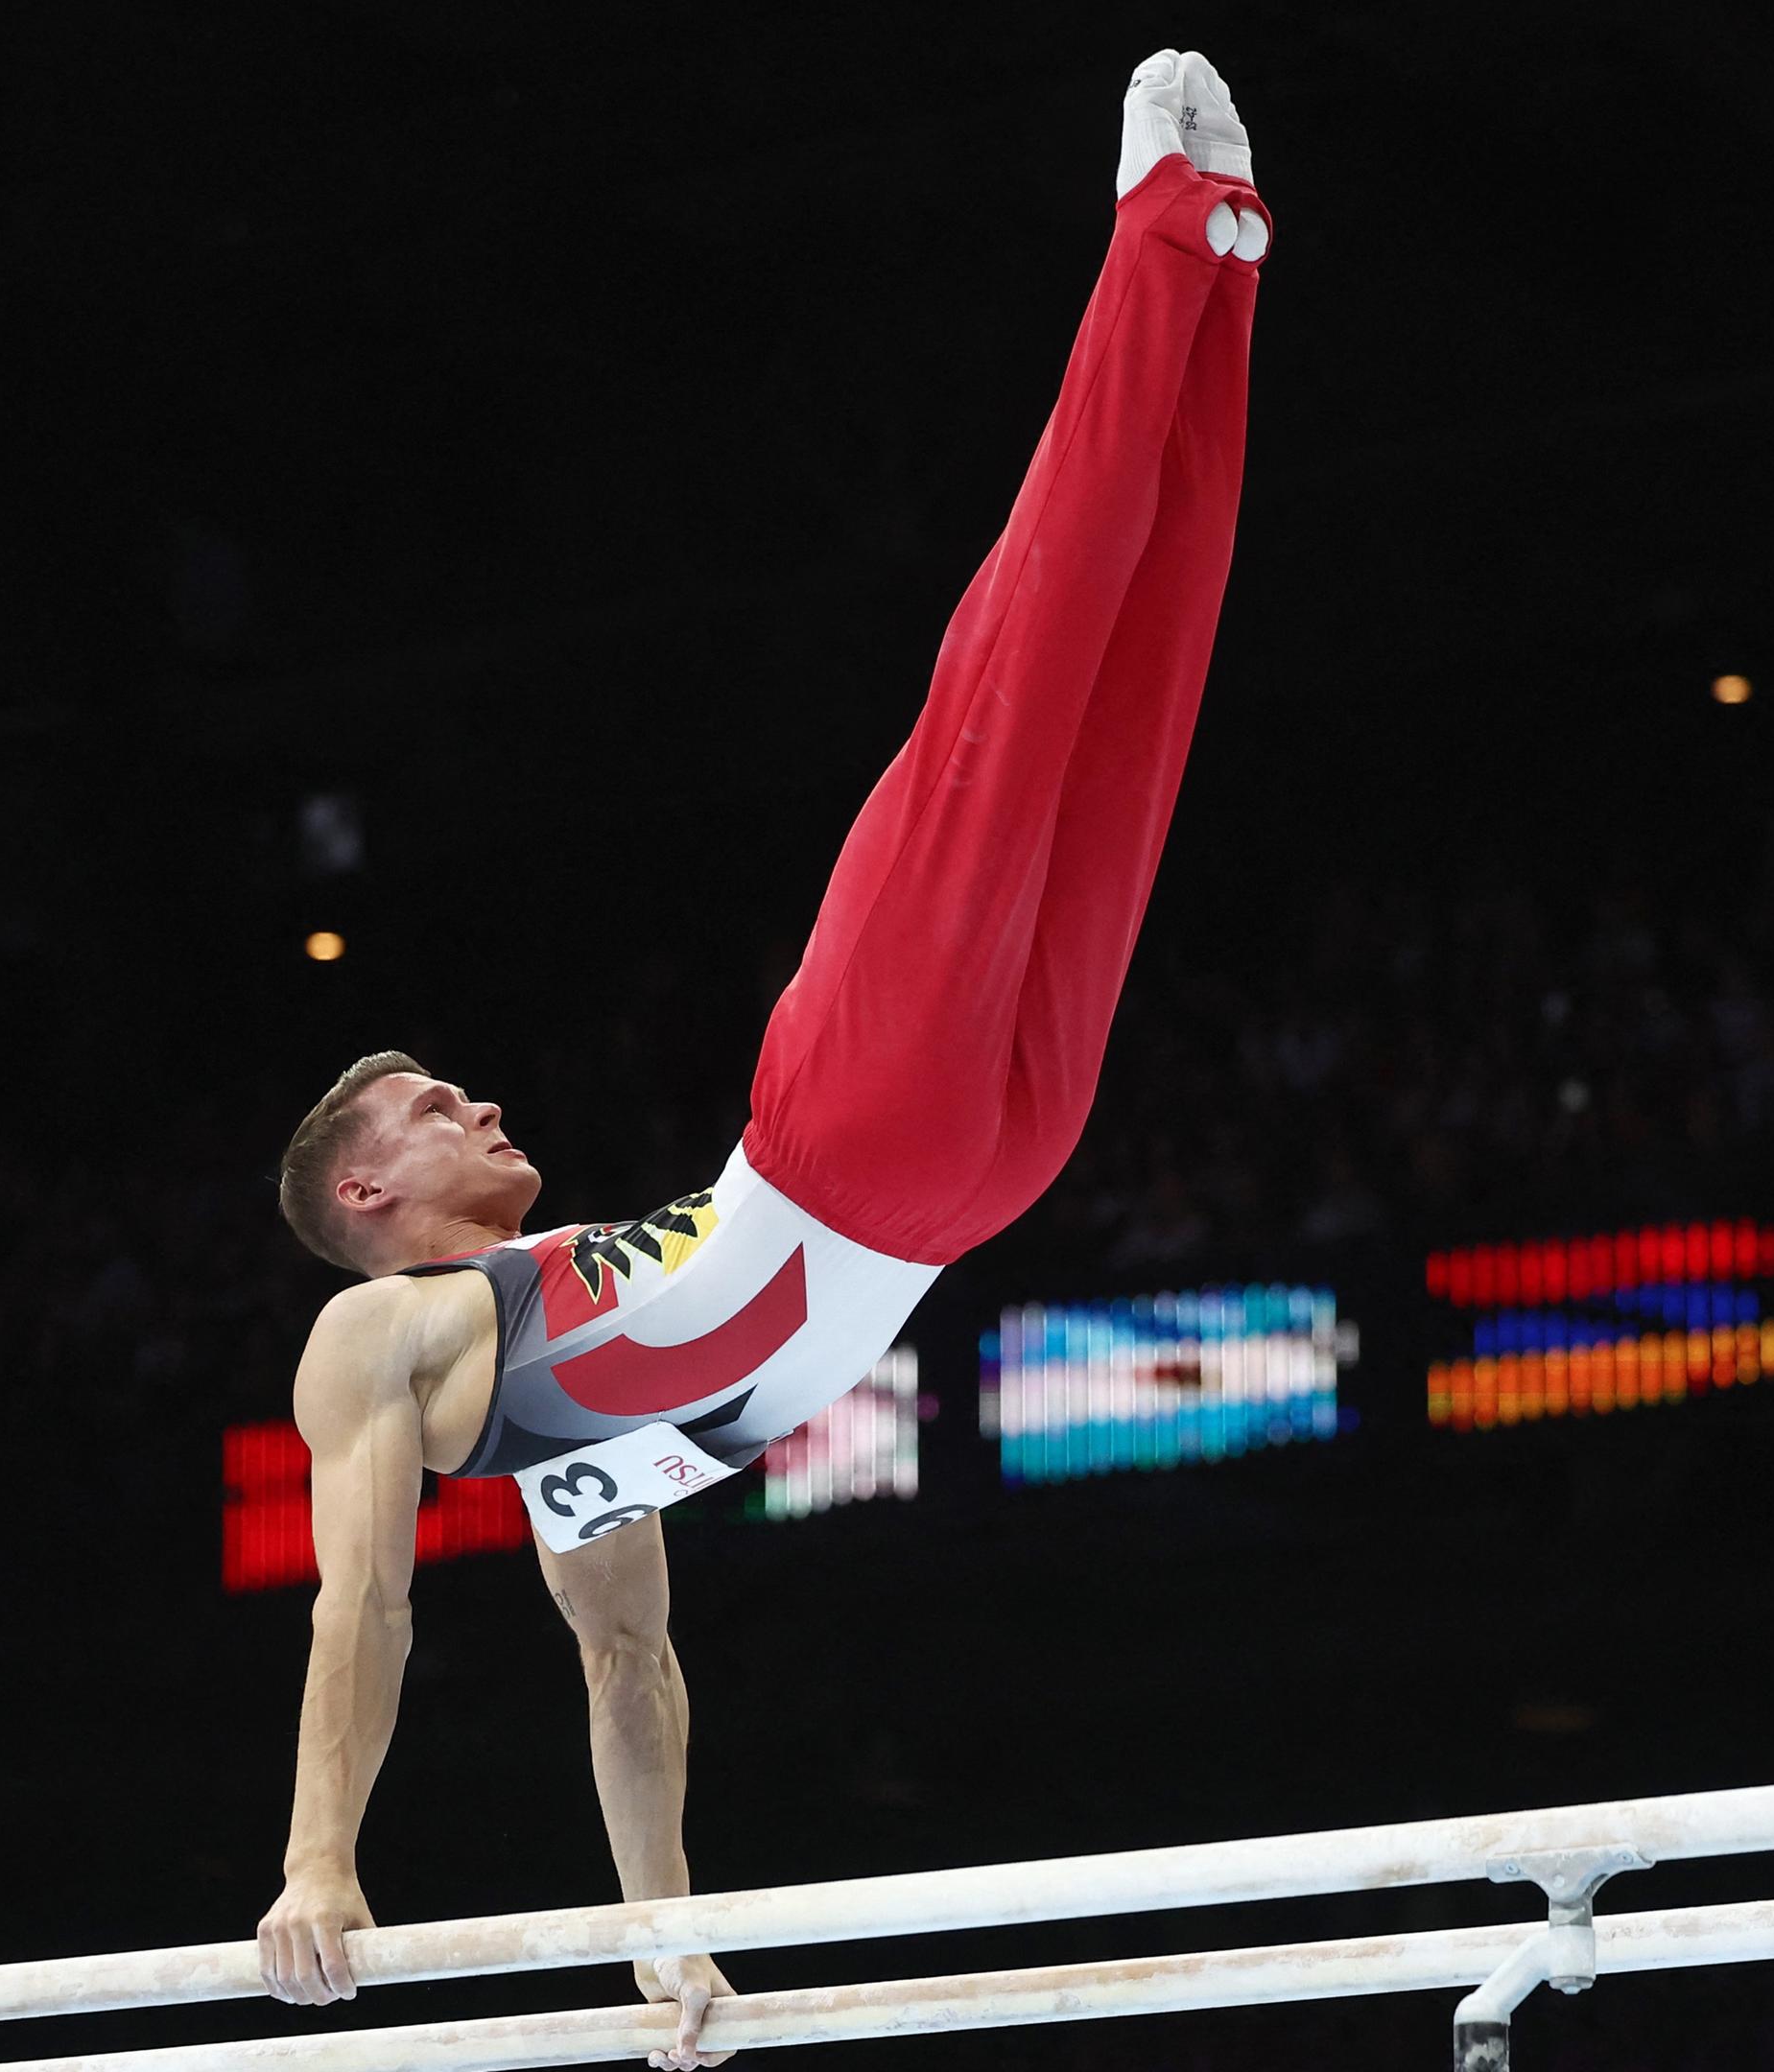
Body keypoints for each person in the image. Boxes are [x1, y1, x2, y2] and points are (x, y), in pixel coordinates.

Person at [254, 48, 1270, 2070]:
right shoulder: (389, 1351)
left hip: (895, 1175)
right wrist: (344, 1873)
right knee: (1061, 690)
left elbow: (626, 1686)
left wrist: (653, 1937)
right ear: (360, 1196)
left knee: (1087, 674)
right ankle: (1188, 256)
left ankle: (1205, 245)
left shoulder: (549, 1402)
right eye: (430, 1109)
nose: (482, 1105)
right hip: (927, 1157)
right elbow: (417, 1626)